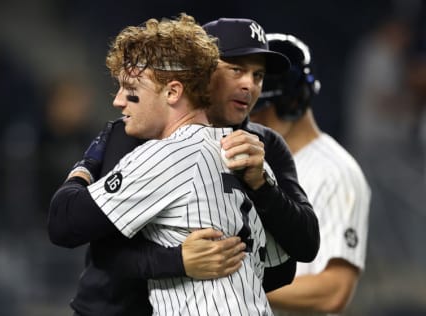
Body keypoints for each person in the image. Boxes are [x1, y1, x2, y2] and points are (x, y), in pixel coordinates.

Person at [49, 16, 320, 315]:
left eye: (258, 75)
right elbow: (100, 245)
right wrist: (177, 261)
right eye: (236, 69)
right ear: (202, 69)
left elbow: (294, 253)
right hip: (115, 308)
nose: (249, 84)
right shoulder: (133, 132)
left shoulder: (258, 149)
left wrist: (264, 190)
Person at [249, 33, 371, 315]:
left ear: (291, 102)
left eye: (259, 107)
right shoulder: (250, 158)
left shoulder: (336, 171)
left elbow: (334, 289)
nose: (247, 116)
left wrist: (240, 284)